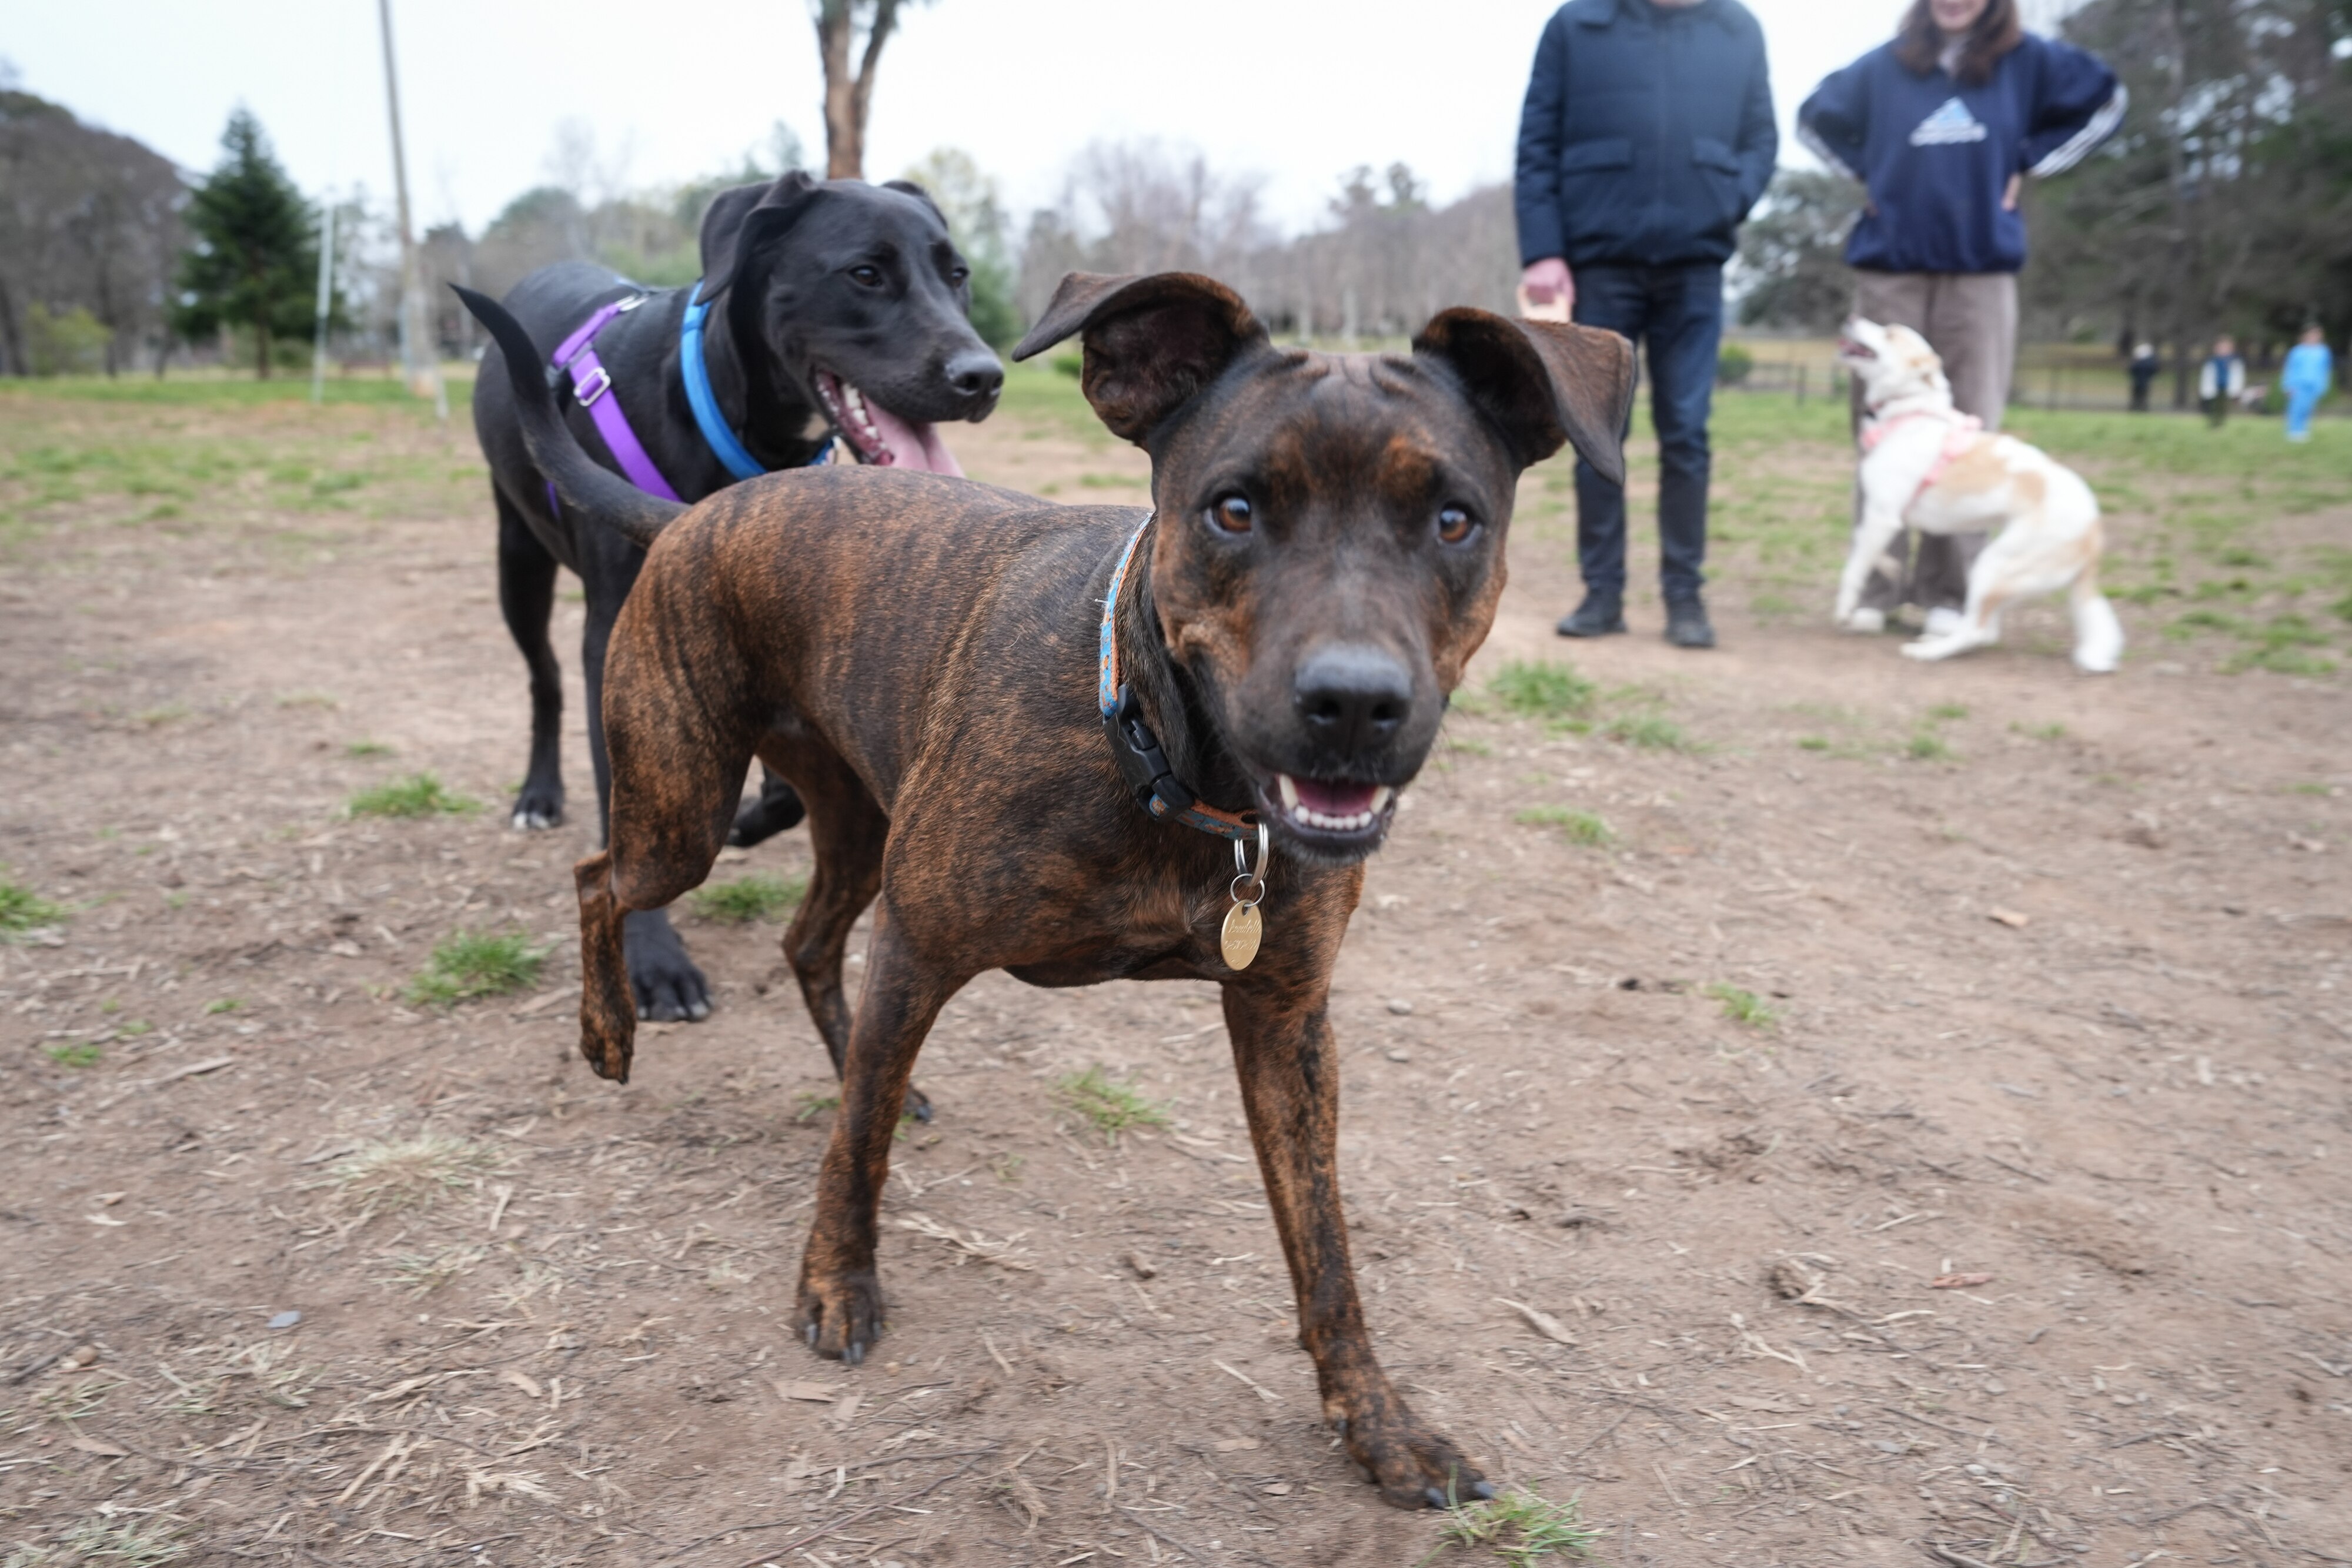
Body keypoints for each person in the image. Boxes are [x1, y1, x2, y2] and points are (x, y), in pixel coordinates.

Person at [1798, 0, 2123, 637]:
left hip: (1979, 269)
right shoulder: (1882, 69)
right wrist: (1870, 173)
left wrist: (2027, 159)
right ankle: (1877, 586)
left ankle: (1951, 593)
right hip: (1891, 266)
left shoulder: (2030, 62)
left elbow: (2106, 99)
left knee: (1970, 429)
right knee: (1883, 432)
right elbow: (1814, 119)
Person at [1514, 0, 1778, 650]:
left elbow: (1760, 138)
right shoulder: (1577, 26)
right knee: (1598, 431)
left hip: (1695, 265)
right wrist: (1543, 249)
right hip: (1600, 263)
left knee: (1687, 433)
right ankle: (1601, 594)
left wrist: (1727, 198)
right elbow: (1536, 143)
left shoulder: (1736, 28)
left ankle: (1684, 598)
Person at [2281, 325, 2332, 442]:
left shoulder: (2323, 352)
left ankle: (2303, 431)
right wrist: (2287, 385)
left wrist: (2324, 385)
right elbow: (2290, 369)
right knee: (2296, 408)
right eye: (2312, 335)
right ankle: (2293, 431)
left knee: (2308, 408)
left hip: (2315, 385)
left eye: (2317, 335)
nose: (2314, 337)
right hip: (2299, 384)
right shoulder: (2297, 351)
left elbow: (2326, 370)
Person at [2199, 336, 2245, 427]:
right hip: (2215, 388)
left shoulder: (2235, 362)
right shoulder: (2212, 362)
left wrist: (2238, 390)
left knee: (2225, 409)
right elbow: (2206, 377)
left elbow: (2239, 377)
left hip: (2228, 389)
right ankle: (2214, 424)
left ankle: (2223, 425)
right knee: (2214, 408)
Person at [2127, 342, 2160, 412]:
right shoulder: (2150, 362)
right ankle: (2140, 408)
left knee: (2139, 396)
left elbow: (2132, 370)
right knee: (2141, 396)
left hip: (2140, 381)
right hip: (2143, 381)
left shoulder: (2140, 362)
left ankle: (2138, 409)